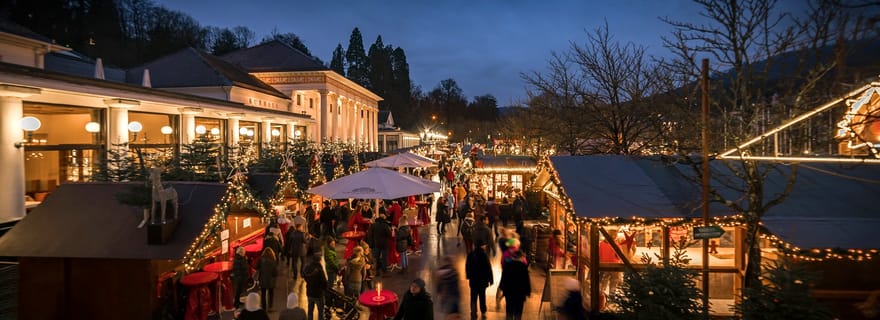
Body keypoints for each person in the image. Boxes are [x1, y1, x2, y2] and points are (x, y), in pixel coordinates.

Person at [499, 249, 531, 320]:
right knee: (518, 311)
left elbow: (504, 278)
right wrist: (528, 292)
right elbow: (526, 281)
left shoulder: (507, 266)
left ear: (513, 257)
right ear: (520, 257)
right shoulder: (523, 267)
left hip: (509, 292)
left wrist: (502, 288)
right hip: (520, 293)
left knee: (509, 309)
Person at [465, 241, 493, 320]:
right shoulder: (484, 255)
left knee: (473, 296)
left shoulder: (471, 255)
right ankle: (483, 310)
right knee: (482, 296)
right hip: (482, 281)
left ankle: (473, 311)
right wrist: (490, 279)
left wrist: (469, 276)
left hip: (474, 280)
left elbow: (467, 266)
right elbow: (488, 268)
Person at [303, 252, 327, 320]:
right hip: (318, 294)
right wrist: (324, 289)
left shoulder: (307, 267)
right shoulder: (319, 269)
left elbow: (304, 276)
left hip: (310, 292)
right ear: (319, 260)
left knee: (310, 310)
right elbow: (324, 282)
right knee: (320, 312)